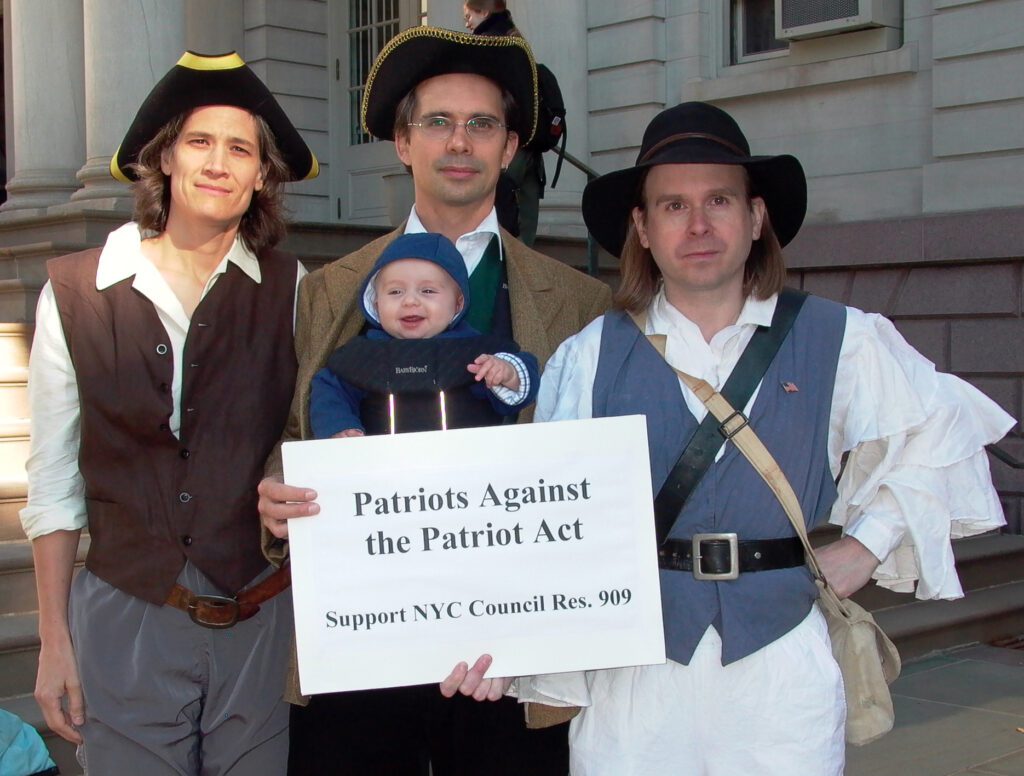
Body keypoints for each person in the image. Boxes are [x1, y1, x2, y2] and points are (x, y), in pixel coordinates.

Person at [489, 101, 1014, 775]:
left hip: (782, 664)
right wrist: (505, 634)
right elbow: (548, 520)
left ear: (756, 216)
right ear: (642, 228)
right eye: (673, 206)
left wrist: (867, 544)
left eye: (719, 200)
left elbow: (945, 429)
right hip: (635, 671)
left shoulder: (841, 338)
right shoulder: (589, 355)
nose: (699, 224)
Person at [258, 25, 611, 776]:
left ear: (511, 148)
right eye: (438, 122)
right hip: (364, 641)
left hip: (510, 662)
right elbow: (295, 428)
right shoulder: (330, 287)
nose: (461, 142)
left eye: (482, 124)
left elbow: (597, 472)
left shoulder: (580, 301)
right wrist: (277, 495)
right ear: (402, 141)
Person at [20, 51, 318, 775]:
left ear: (260, 178)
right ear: (166, 160)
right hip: (126, 616)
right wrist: (55, 642)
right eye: (200, 141)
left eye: (240, 148)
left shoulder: (294, 289)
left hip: (259, 616)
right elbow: (54, 481)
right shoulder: (77, 291)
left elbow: (306, 437)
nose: (219, 162)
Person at [309, 231, 539, 438]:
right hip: (385, 471)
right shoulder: (362, 355)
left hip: (466, 473)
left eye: (427, 291)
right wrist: (339, 427)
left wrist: (507, 372)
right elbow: (329, 390)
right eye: (395, 291)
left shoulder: (476, 352)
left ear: (458, 304)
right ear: (376, 303)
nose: (410, 301)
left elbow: (522, 380)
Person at [464, 1, 546, 246]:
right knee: (525, 225)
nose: (466, 22)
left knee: (498, 223)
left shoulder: (487, 45)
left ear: (485, 11)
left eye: (469, 15)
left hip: (506, 145)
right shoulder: (516, 39)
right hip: (529, 145)